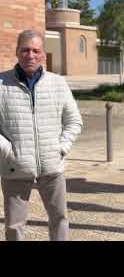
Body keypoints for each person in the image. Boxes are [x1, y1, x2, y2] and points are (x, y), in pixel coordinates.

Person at [0, 30, 82, 241]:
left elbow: (74, 121)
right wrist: (8, 152)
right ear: (17, 52)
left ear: (43, 54)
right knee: (14, 225)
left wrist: (61, 148)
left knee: (60, 218)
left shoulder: (58, 83)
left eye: (36, 50)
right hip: (14, 167)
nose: (30, 55)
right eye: (25, 50)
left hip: (52, 165)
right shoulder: (1, 84)